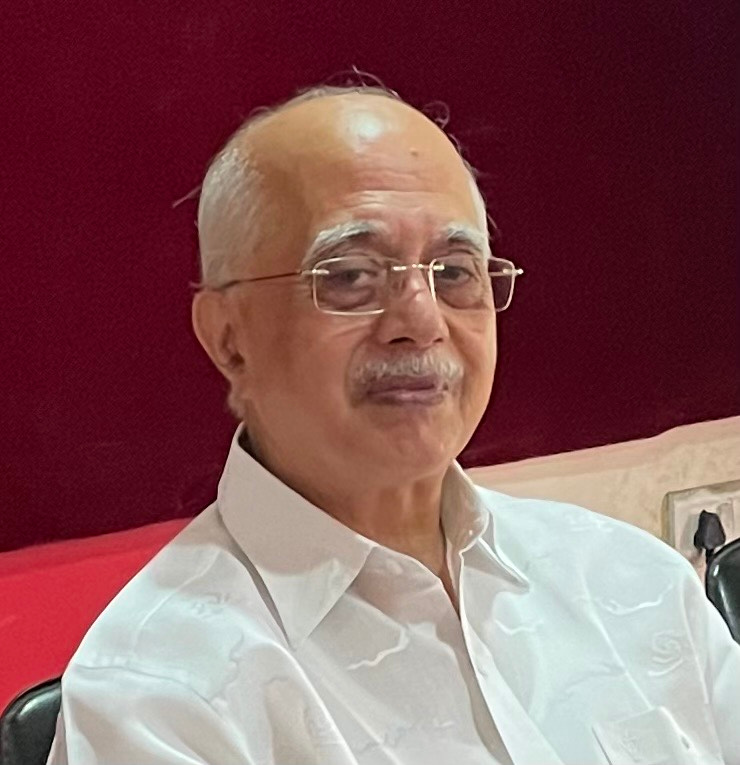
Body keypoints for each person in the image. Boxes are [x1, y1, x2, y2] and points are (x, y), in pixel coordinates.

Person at [47, 84, 739, 765]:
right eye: (350, 276)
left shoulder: (632, 580)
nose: (421, 320)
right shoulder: (157, 701)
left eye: (455, 272)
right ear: (229, 337)